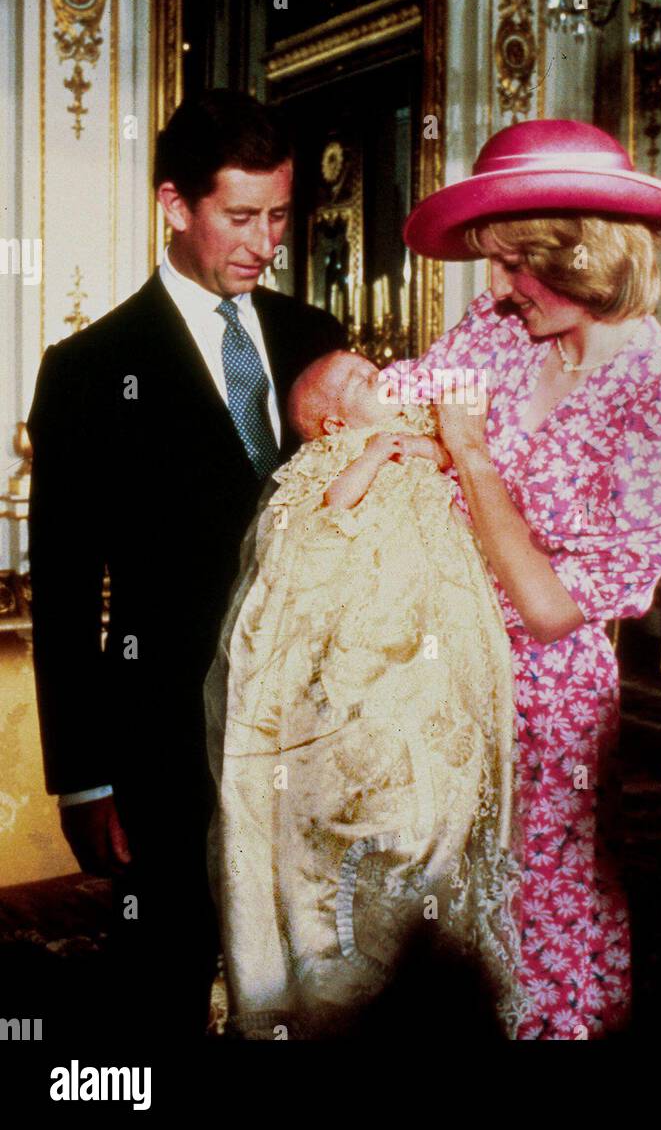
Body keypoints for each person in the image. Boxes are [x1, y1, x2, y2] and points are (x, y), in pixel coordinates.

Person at [382, 118, 661, 1040]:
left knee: (537, 931)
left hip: (545, 710)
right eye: (492, 263)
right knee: (429, 930)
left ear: (586, 256)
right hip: (433, 677)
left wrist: (470, 456)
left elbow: (546, 609)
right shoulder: (500, 335)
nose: (496, 287)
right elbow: (394, 400)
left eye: (515, 264)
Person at [27, 90, 345, 1039]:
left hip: (316, 727)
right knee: (167, 965)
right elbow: (66, 593)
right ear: (175, 204)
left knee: (313, 961)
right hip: (165, 738)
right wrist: (82, 780)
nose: (266, 241)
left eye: (281, 215)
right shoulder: (88, 369)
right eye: (241, 216)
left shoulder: (314, 339)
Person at [203, 350, 522, 1038]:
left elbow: (452, 455)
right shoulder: (335, 456)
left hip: (436, 610)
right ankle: (345, 978)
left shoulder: (412, 425)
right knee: (368, 738)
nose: (371, 372)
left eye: (366, 363)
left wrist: (433, 448)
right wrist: (374, 456)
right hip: (365, 620)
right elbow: (331, 507)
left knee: (441, 741)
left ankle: (430, 953)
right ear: (330, 423)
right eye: (350, 380)